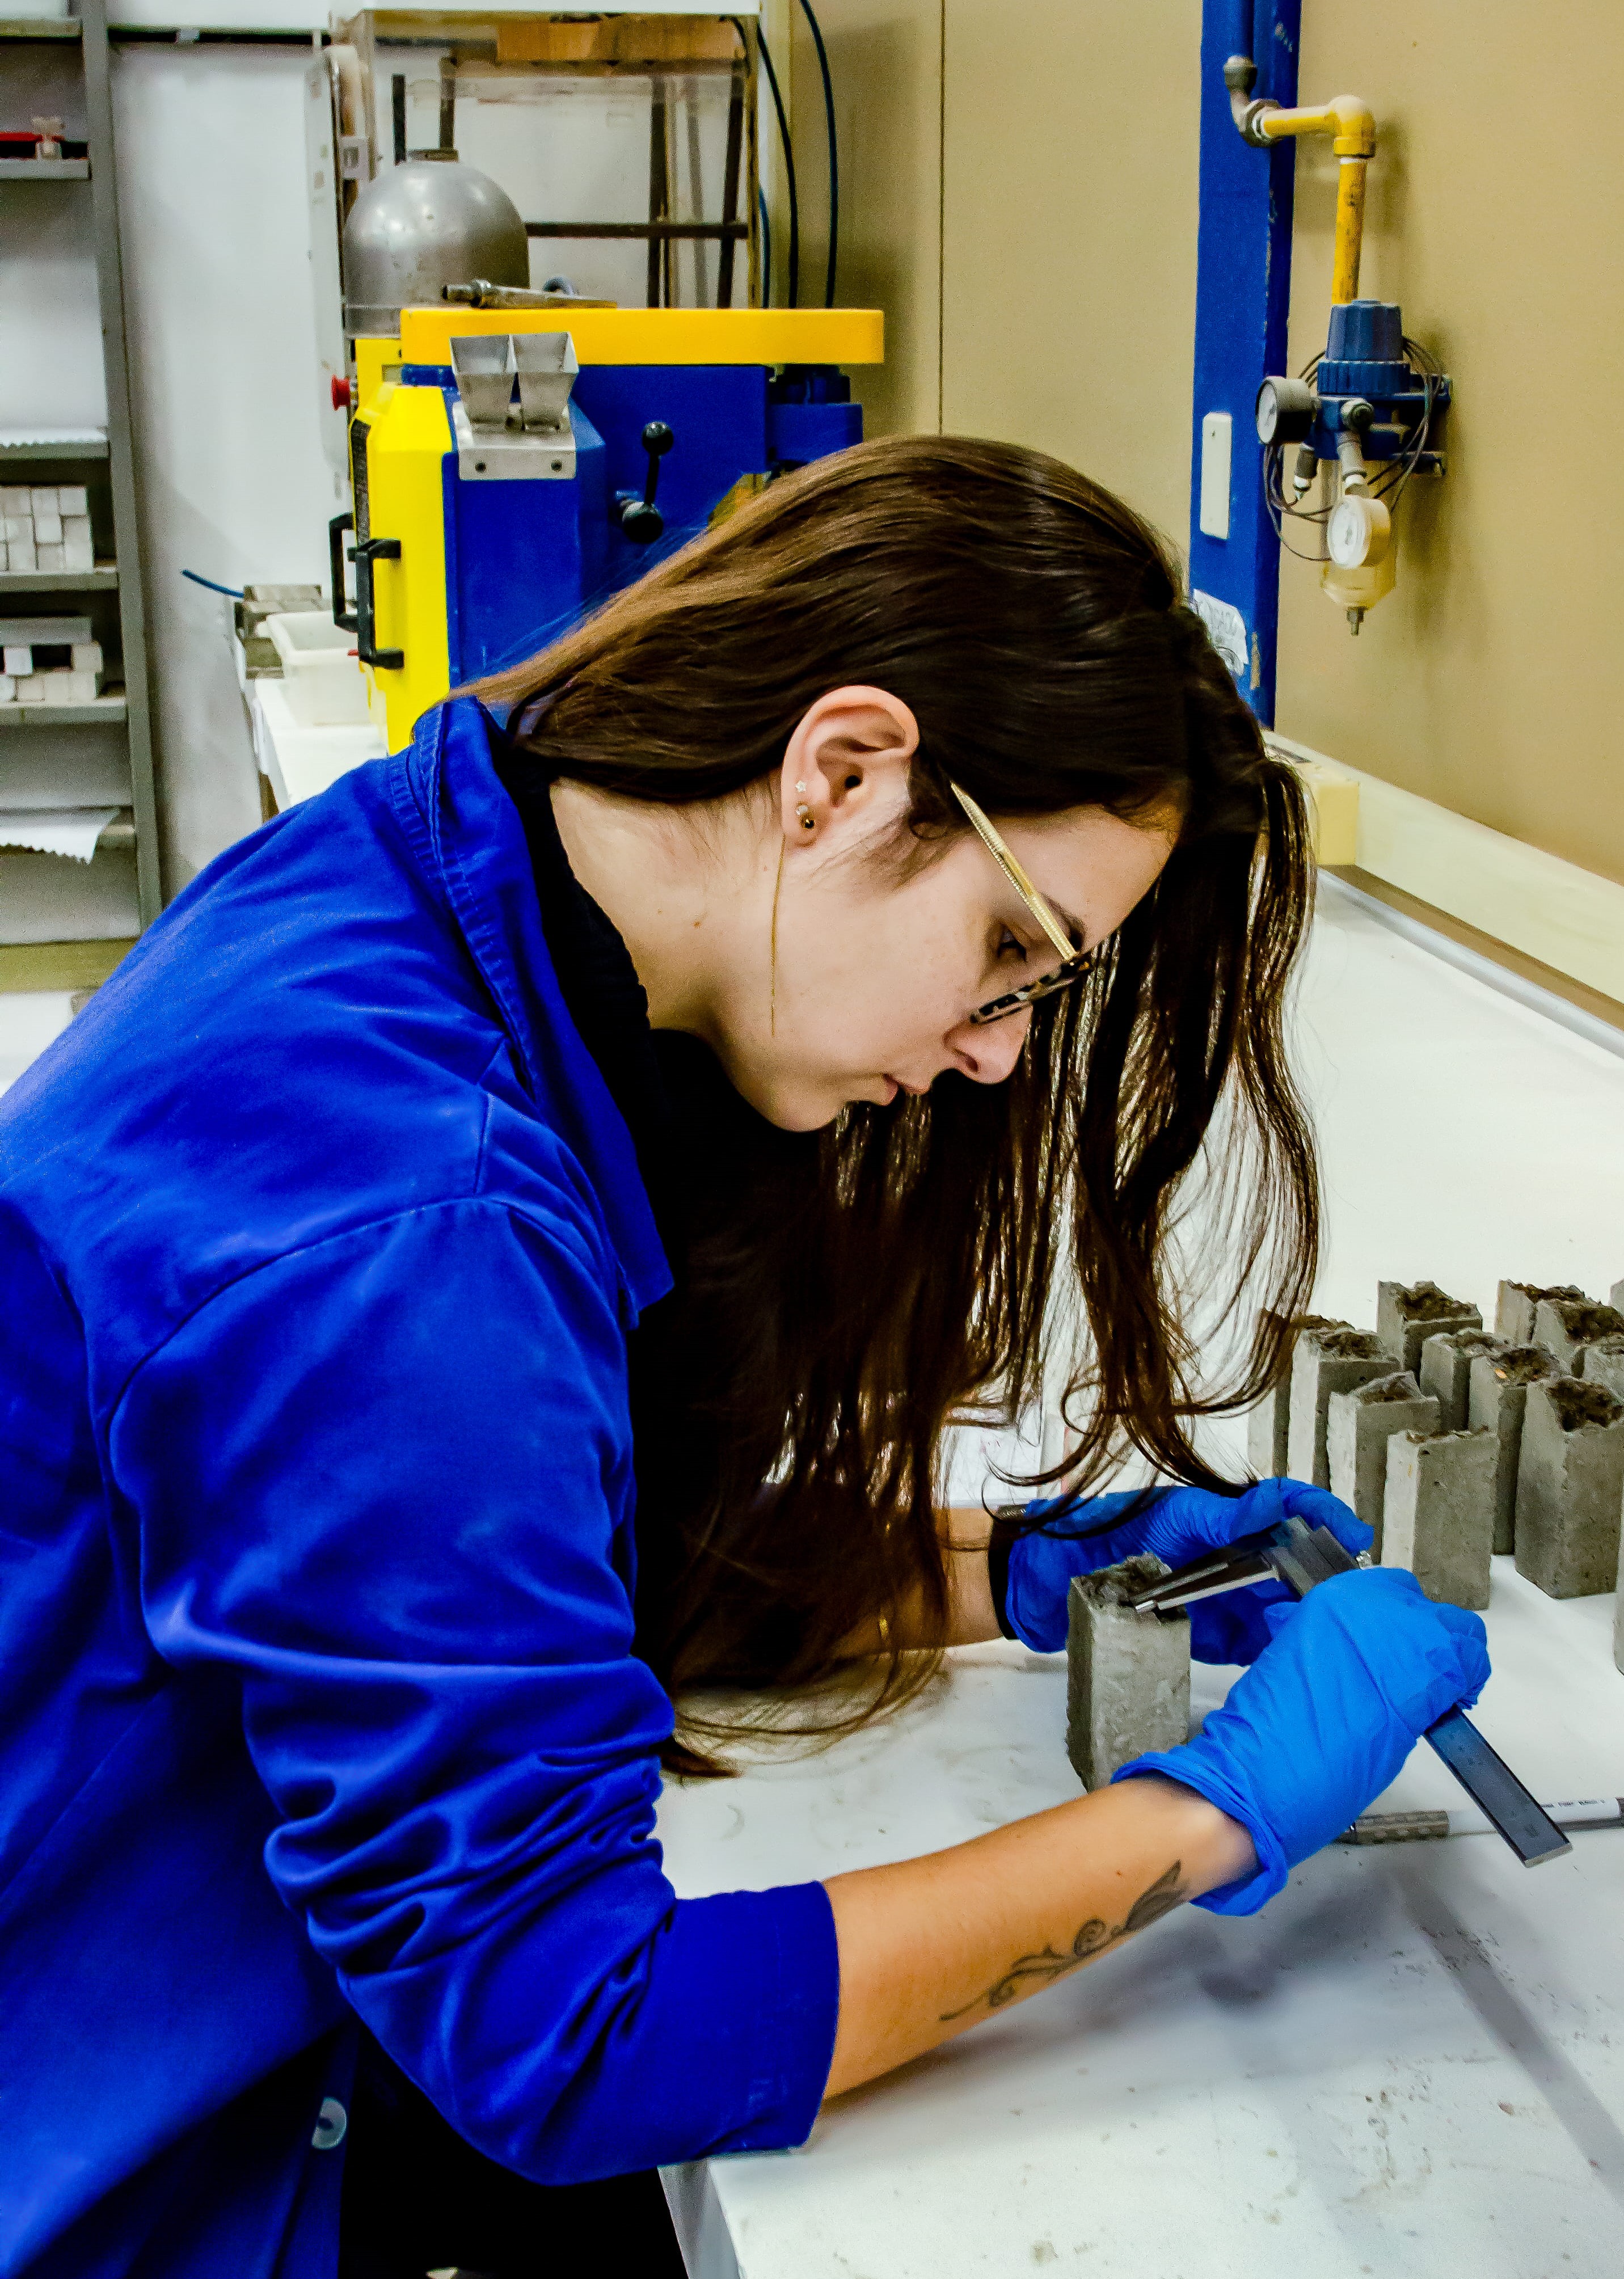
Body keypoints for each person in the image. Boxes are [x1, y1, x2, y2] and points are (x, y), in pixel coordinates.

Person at [0, 438, 1488, 2279]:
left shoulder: (435, 871)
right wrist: (1205, 1814)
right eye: (1011, 954)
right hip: (134, 2182)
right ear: (844, 775)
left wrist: (1005, 1569)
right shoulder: (413, 1229)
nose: (1002, 1052)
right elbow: (575, 2035)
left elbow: (502, 1580)